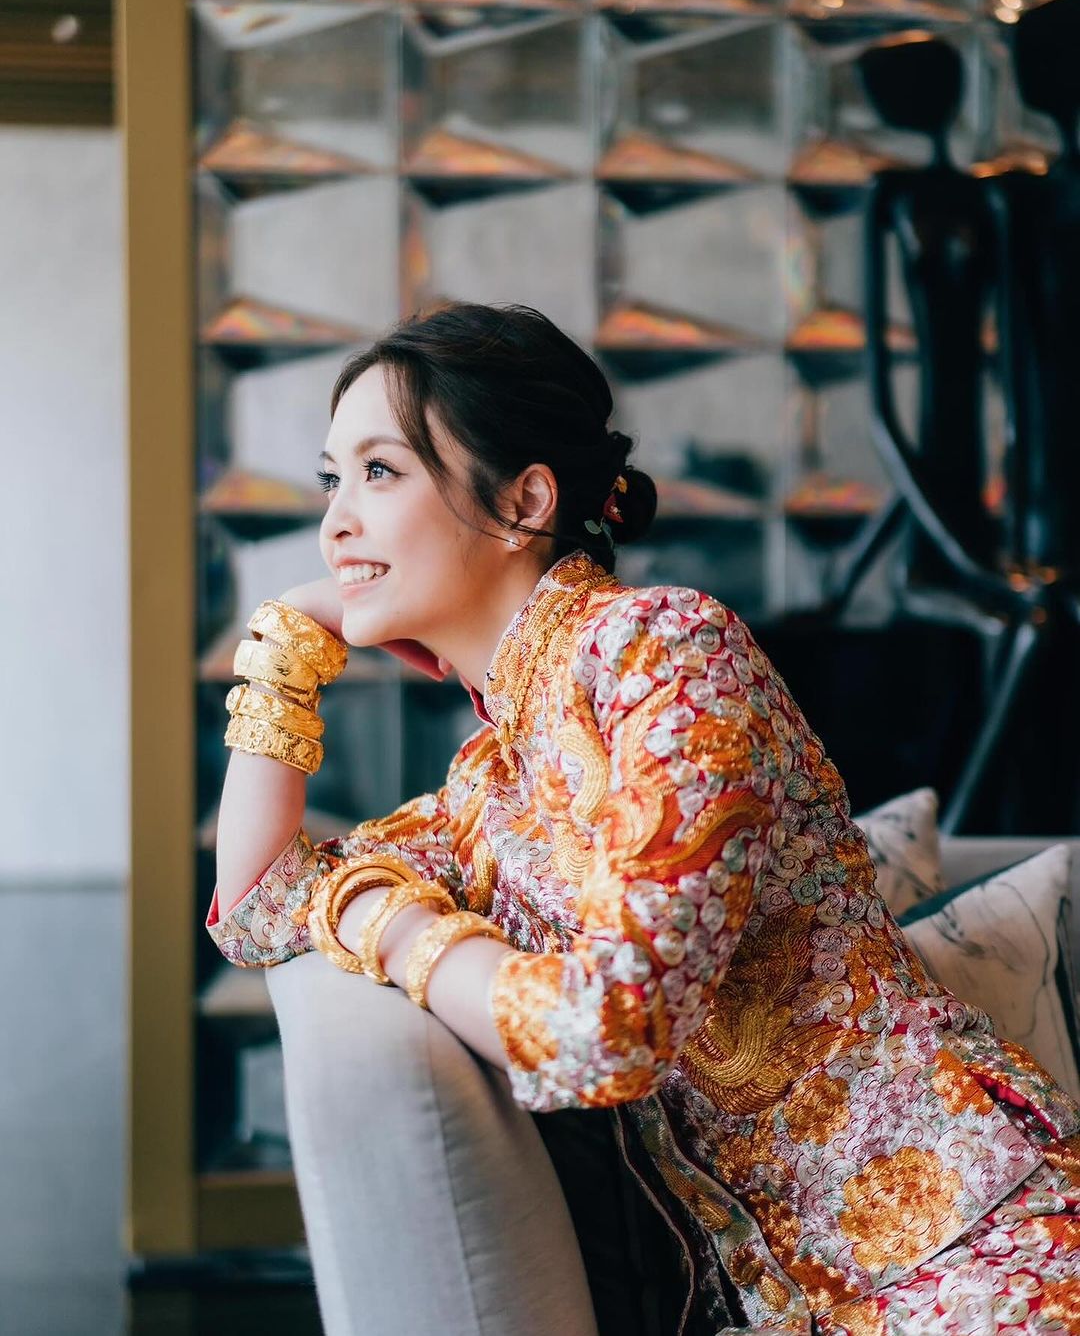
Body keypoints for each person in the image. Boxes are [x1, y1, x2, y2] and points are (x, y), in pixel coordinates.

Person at [207, 301, 1080, 1336]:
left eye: (380, 472)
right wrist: (285, 645)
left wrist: (394, 928)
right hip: (805, 1304)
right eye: (331, 479)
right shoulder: (488, 784)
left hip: (982, 1248)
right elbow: (255, 904)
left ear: (525, 500)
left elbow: (608, 1028)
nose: (336, 522)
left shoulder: (663, 650)